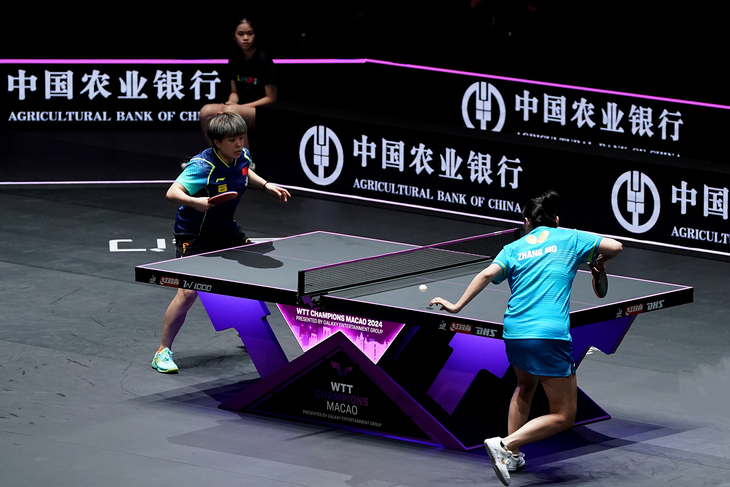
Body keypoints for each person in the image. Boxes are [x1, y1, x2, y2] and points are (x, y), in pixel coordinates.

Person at [429, 190, 622, 486]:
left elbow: (485, 275)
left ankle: (512, 456)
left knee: (525, 386)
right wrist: (599, 260)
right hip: (549, 335)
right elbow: (615, 246)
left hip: (515, 332)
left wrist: (456, 306)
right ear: (556, 220)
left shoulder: (513, 248)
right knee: (564, 415)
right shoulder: (569, 238)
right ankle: (505, 444)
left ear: (527, 222)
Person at [152, 112, 290, 374]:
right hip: (194, 235)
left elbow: (245, 172)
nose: (239, 144)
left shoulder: (242, 156)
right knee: (188, 293)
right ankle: (162, 352)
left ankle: (246, 326)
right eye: (232, 140)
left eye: (241, 138)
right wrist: (196, 202)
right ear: (217, 142)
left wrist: (266, 185)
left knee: (249, 277)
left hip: (226, 232)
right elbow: (172, 192)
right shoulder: (203, 166)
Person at [199, 17, 278, 150]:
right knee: (206, 112)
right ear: (234, 36)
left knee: (232, 112)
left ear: (255, 34)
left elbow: (271, 98)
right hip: (239, 108)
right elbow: (235, 92)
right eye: (241, 34)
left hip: (262, 112)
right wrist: (230, 103)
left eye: (250, 33)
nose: (245, 38)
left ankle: (244, 160)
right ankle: (219, 155)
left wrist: (237, 108)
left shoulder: (263, 60)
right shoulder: (235, 58)